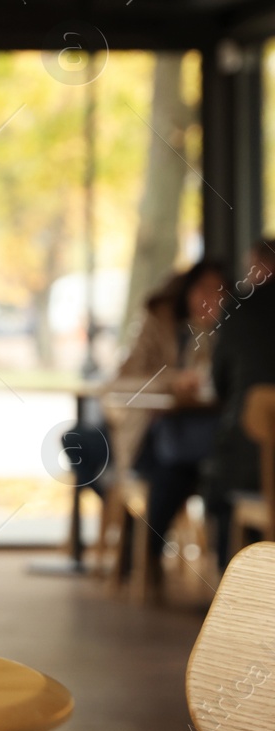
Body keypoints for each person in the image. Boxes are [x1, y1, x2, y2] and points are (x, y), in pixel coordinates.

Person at [104, 259, 226, 588]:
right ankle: (143, 556)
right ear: (187, 290)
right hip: (148, 438)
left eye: (219, 292)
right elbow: (120, 383)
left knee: (192, 469)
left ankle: (140, 553)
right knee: (175, 469)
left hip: (200, 439)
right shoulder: (160, 323)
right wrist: (171, 381)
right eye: (203, 290)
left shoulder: (227, 332)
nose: (210, 300)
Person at [206, 236, 275, 567]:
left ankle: (229, 590)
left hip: (253, 465)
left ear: (262, 267)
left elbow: (219, 385)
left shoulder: (239, 307)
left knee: (219, 482)